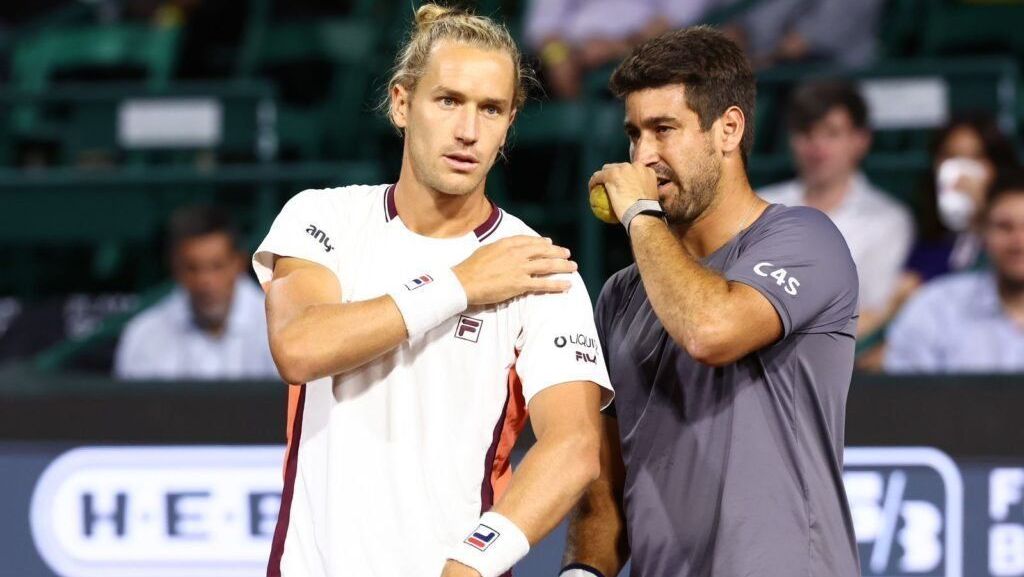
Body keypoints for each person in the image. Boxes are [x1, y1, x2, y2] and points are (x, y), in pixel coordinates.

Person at [253, 6, 612, 577]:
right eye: (448, 101)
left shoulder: (538, 268)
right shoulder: (323, 218)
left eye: (490, 109)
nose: (468, 131)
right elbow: (299, 345)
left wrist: (471, 564)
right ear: (402, 103)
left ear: (509, 124)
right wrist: (459, 284)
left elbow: (572, 448)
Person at [560, 27, 860, 577]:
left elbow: (710, 329)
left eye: (663, 130)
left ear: (729, 129)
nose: (642, 157)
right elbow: (607, 479)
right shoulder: (620, 296)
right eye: (633, 134)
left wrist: (640, 217)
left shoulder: (807, 240)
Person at [758, 79, 913, 336]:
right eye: (806, 134)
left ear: (860, 141)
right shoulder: (760, 206)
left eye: (832, 133)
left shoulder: (888, 219)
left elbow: (874, 312)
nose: (818, 148)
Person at [114, 205, 277, 380]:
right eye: (193, 268)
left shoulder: (280, 326)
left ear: (239, 263)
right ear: (175, 267)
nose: (205, 281)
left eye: (217, 266)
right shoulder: (143, 335)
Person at [886, 169, 1024, 373]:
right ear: (982, 232)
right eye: (1005, 227)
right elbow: (905, 397)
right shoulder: (935, 307)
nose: (1019, 242)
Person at [525, 0, 732, 99]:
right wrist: (559, 57)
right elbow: (543, 24)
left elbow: (679, 14)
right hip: (574, 62)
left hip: (652, 53)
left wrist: (622, 47)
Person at [906, 112, 1019, 283]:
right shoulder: (926, 240)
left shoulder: (1013, 236)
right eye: (950, 157)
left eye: (976, 157)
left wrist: (986, 213)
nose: (961, 173)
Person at [722, 0, 885, 70]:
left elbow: (800, 44)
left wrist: (757, 61)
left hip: (835, 70)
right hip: (761, 63)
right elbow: (733, 23)